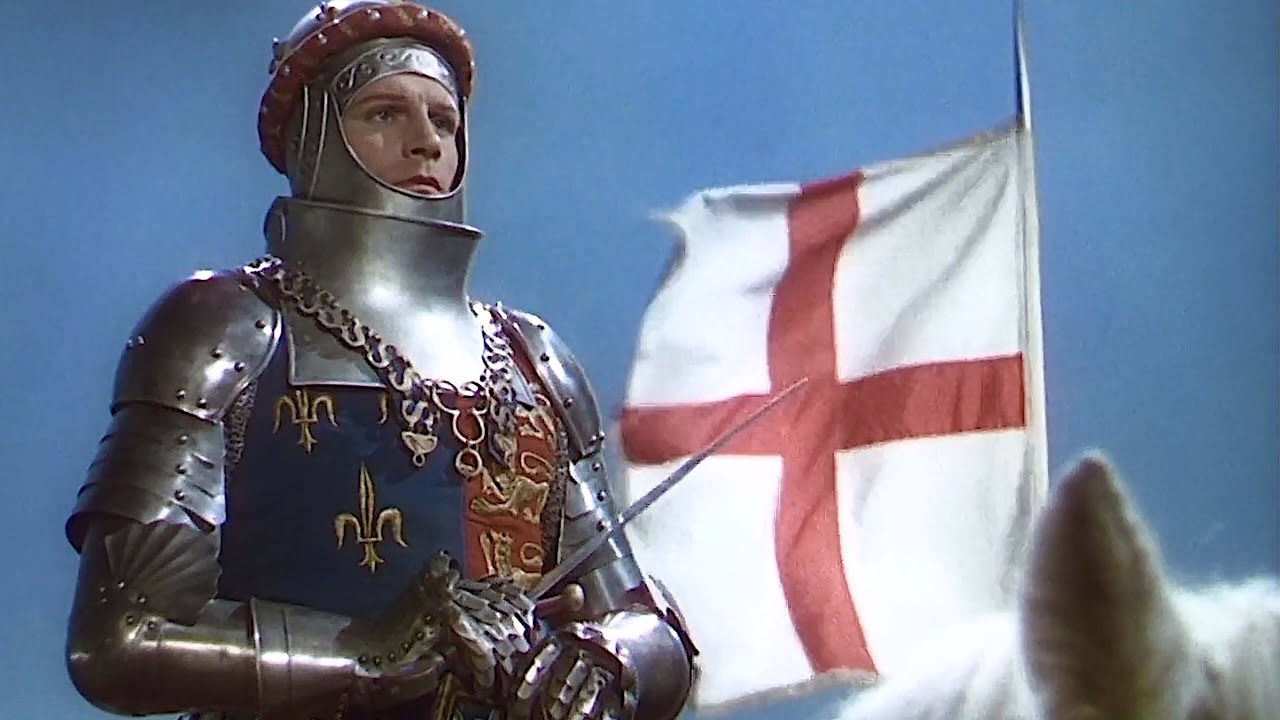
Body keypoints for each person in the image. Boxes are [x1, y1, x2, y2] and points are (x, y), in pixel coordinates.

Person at [61, 2, 698, 719]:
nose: (425, 142)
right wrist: (362, 653)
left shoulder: (534, 360)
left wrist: (606, 661)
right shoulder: (226, 328)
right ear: (314, 137)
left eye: (444, 121)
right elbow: (120, 637)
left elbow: (643, 621)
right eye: (385, 113)